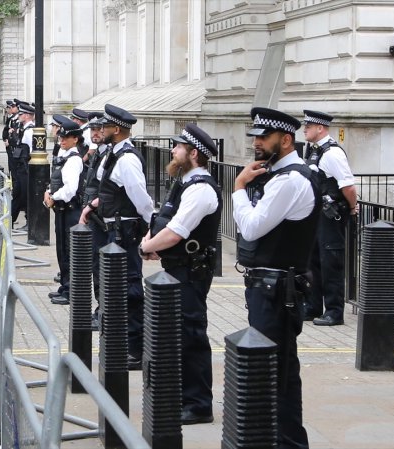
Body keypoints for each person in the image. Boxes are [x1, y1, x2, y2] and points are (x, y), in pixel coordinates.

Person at [233, 107, 321, 449]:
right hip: (268, 288)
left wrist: (239, 187)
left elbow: (252, 227)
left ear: (285, 140)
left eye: (264, 137)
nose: (256, 143)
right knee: (271, 371)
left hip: (277, 291)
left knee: (277, 374)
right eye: (255, 136)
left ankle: (289, 443)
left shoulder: (290, 180)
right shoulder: (277, 176)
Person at [139, 123, 221, 425]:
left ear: (194, 153)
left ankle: (198, 404)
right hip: (176, 268)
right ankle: (182, 395)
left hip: (191, 272)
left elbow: (176, 232)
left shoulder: (201, 189)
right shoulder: (185, 182)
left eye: (178, 147)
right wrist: (152, 242)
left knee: (191, 335)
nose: (173, 151)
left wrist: (145, 248)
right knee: (176, 334)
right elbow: (164, 219)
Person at [79, 104, 154, 370]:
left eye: (106, 127)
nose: (101, 130)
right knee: (116, 288)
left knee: (131, 289)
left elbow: (141, 198)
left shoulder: (127, 159)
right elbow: (109, 189)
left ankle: (135, 350)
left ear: (117, 130)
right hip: (113, 229)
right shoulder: (114, 154)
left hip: (125, 231)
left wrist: (152, 227)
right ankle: (121, 341)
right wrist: (93, 205)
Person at [302, 110, 357, 326]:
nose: (304, 129)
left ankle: (334, 311)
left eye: (308, 126)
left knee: (331, 262)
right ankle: (313, 306)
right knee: (313, 261)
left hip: (330, 215)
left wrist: (352, 208)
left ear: (320, 128)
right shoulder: (314, 150)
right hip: (316, 215)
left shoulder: (333, 153)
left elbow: (348, 186)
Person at [45, 118, 85, 305]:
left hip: (70, 210)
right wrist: (49, 192)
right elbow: (56, 180)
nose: (62, 140)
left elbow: (70, 189)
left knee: (69, 252)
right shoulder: (64, 155)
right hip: (61, 209)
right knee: (62, 250)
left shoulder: (74, 160)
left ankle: (71, 291)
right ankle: (64, 286)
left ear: (75, 139)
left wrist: (54, 196)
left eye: (66, 138)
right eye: (61, 137)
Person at [83, 113, 109, 331]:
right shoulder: (99, 153)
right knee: (95, 266)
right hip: (94, 219)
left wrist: (90, 207)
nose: (95, 133)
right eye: (92, 130)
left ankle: (104, 312)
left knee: (103, 268)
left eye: (99, 129)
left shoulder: (109, 155)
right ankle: (101, 310)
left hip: (103, 221)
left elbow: (107, 191)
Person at [11, 101, 35, 229]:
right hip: (21, 167)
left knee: (24, 195)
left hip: (26, 168)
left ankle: (29, 221)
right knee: (17, 194)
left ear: (27, 115)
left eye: (21, 114)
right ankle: (10, 220)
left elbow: (32, 151)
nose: (19, 116)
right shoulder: (24, 129)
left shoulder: (30, 131)